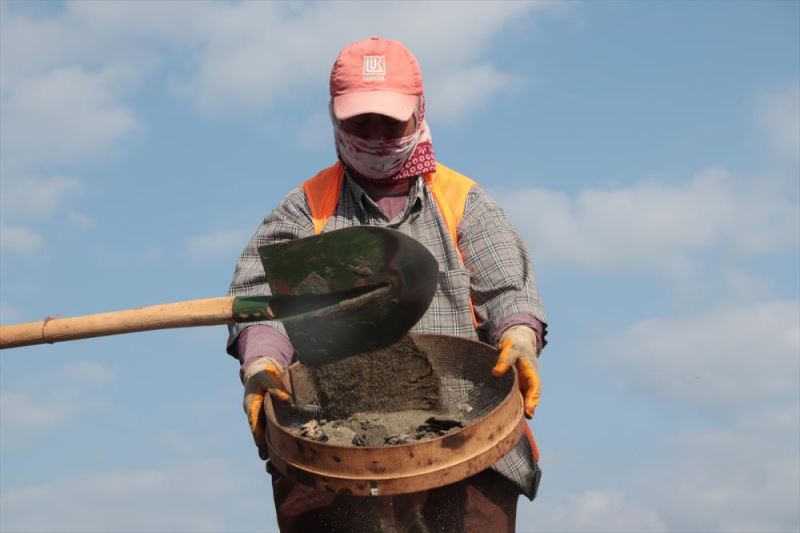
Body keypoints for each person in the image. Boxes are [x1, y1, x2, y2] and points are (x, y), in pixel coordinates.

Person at [227, 36, 548, 533]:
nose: (376, 136)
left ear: (418, 113)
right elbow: (257, 302)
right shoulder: (304, 210)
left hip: (461, 434)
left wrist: (519, 336)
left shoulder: (463, 202)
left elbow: (508, 289)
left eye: (390, 121)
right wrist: (262, 361)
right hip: (335, 443)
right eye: (361, 123)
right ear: (336, 119)